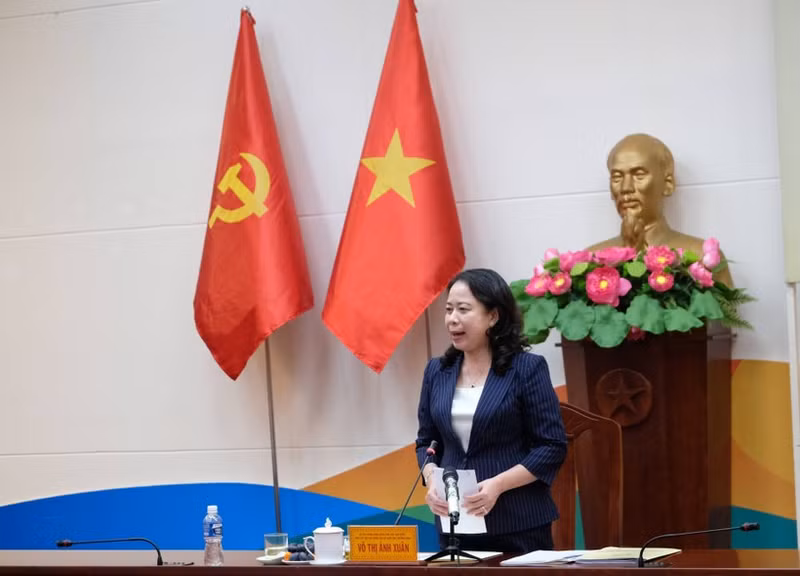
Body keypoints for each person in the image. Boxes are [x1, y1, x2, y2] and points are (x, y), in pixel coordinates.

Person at [415, 268, 567, 554]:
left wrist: (497, 485)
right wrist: (432, 477)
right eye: (448, 310)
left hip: (517, 524)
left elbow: (552, 446)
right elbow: (426, 442)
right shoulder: (437, 371)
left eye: (463, 309)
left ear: (493, 316)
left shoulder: (526, 369)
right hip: (455, 524)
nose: (452, 319)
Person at [588, 133, 733, 286]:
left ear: (668, 183)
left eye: (639, 175)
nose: (626, 188)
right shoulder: (590, 260)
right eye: (617, 177)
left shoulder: (702, 258)